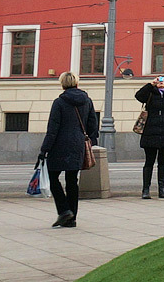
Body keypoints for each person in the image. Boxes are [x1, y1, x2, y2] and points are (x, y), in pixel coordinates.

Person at [38, 72, 98, 228]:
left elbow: (53, 128)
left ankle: (64, 210)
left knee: (53, 177)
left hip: (59, 144)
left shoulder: (59, 102)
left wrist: (44, 149)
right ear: (77, 83)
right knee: (72, 180)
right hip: (78, 144)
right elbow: (93, 124)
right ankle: (72, 218)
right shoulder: (87, 101)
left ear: (62, 84)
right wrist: (90, 141)